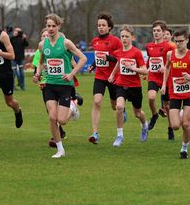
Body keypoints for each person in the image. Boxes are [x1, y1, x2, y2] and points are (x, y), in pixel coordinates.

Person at [33, 14, 87, 158]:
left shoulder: (66, 43)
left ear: (58, 27)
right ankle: (60, 149)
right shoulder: (42, 45)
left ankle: (72, 106)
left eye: (53, 26)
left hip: (64, 85)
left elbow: (83, 58)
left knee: (62, 120)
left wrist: (71, 74)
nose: (50, 29)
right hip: (49, 84)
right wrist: (38, 73)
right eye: (48, 26)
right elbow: (41, 62)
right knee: (52, 117)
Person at [161, 29, 190, 159]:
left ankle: (184, 148)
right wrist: (164, 84)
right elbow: (167, 67)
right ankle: (180, 113)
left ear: (187, 41)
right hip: (174, 93)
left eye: (181, 41)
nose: (179, 44)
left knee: (185, 124)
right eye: (177, 41)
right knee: (175, 126)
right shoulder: (170, 54)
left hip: (189, 94)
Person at [108, 25, 149, 146]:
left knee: (137, 113)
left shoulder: (136, 53)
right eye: (122, 36)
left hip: (135, 86)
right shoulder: (119, 52)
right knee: (119, 107)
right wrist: (113, 74)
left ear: (132, 37)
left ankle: (144, 125)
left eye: (126, 36)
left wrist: (133, 68)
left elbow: (145, 70)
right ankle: (119, 135)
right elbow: (119, 63)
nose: (124, 39)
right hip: (121, 84)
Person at [87, 12, 123, 144]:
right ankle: (95, 133)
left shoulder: (116, 42)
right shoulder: (95, 41)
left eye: (103, 25)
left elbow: (120, 59)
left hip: (113, 78)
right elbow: (99, 58)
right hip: (100, 77)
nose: (100, 27)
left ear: (109, 27)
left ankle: (121, 111)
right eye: (98, 25)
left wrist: (108, 58)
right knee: (96, 102)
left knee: (115, 106)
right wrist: (93, 65)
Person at [145, 20, 174, 137]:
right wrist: (146, 69)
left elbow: (173, 63)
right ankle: (154, 115)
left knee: (167, 106)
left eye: (158, 31)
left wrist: (165, 68)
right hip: (153, 77)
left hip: (166, 79)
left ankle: (170, 128)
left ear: (163, 32)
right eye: (154, 31)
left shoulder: (169, 47)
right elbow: (150, 59)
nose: (156, 33)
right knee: (151, 97)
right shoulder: (149, 46)